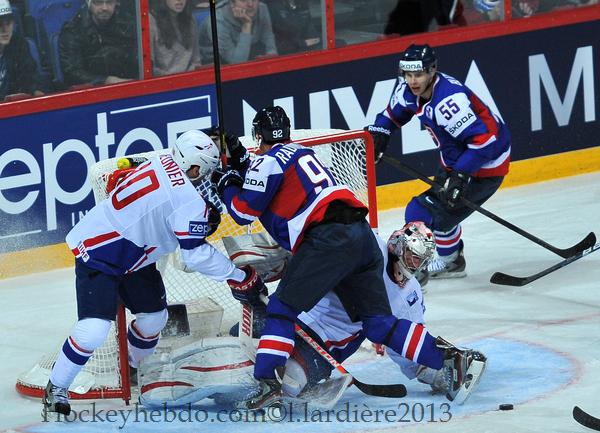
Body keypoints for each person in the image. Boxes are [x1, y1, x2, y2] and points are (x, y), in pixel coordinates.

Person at [214, 105, 486, 411]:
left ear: (257, 135)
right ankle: (453, 360)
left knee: (281, 308)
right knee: (379, 325)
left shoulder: (269, 161)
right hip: (362, 236)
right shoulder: (303, 154)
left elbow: (241, 211)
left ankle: (266, 383)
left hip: (327, 241)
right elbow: (263, 179)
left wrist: (225, 182)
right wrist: (237, 159)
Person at [137, 222, 487, 408]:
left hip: (325, 349)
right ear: (395, 243)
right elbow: (312, 255)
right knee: (238, 344)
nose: (408, 267)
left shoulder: (408, 295)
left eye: (417, 263)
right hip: (292, 319)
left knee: (275, 382)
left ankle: (181, 385)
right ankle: (163, 369)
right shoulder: (367, 248)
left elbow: (401, 342)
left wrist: (431, 370)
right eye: (406, 256)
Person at [42, 130, 267, 417]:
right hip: (100, 254)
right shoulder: (189, 203)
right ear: (194, 167)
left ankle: (132, 369)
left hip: (135, 256)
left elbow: (132, 172)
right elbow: (196, 255)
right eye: (206, 172)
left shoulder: (161, 158)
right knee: (92, 331)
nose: (206, 178)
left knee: (154, 319)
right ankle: (57, 387)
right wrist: (238, 275)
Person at [365, 44, 511, 280]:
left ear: (432, 71)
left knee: (420, 211)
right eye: (409, 75)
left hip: (484, 165)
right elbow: (391, 116)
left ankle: (415, 275)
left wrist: (462, 176)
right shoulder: (409, 91)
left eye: (419, 74)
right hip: (456, 159)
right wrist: (379, 133)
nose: (413, 81)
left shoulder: (448, 102)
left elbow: (485, 142)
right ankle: (452, 261)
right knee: (441, 213)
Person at [59, 0, 138, 87]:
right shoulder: (73, 30)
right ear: (88, 3)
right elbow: (72, 71)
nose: (104, 8)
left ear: (116, 3)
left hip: (127, 83)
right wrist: (104, 80)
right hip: (92, 89)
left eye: (109, 2)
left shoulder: (128, 23)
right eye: (98, 2)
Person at [198, 0, 277, 64]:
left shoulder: (262, 8)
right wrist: (246, 25)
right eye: (243, 0)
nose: (250, 4)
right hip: (215, 65)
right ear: (232, 4)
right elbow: (237, 62)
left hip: (249, 56)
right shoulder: (217, 21)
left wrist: (272, 56)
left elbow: (268, 38)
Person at [0, 0, 43, 100]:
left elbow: (30, 78)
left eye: (8, 23)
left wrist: (35, 90)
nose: (4, 30)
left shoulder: (19, 44)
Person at [150, 0, 202, 76]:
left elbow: (196, 60)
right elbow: (150, 68)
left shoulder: (191, 20)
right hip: (164, 82)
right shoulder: (151, 21)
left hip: (190, 79)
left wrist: (189, 75)